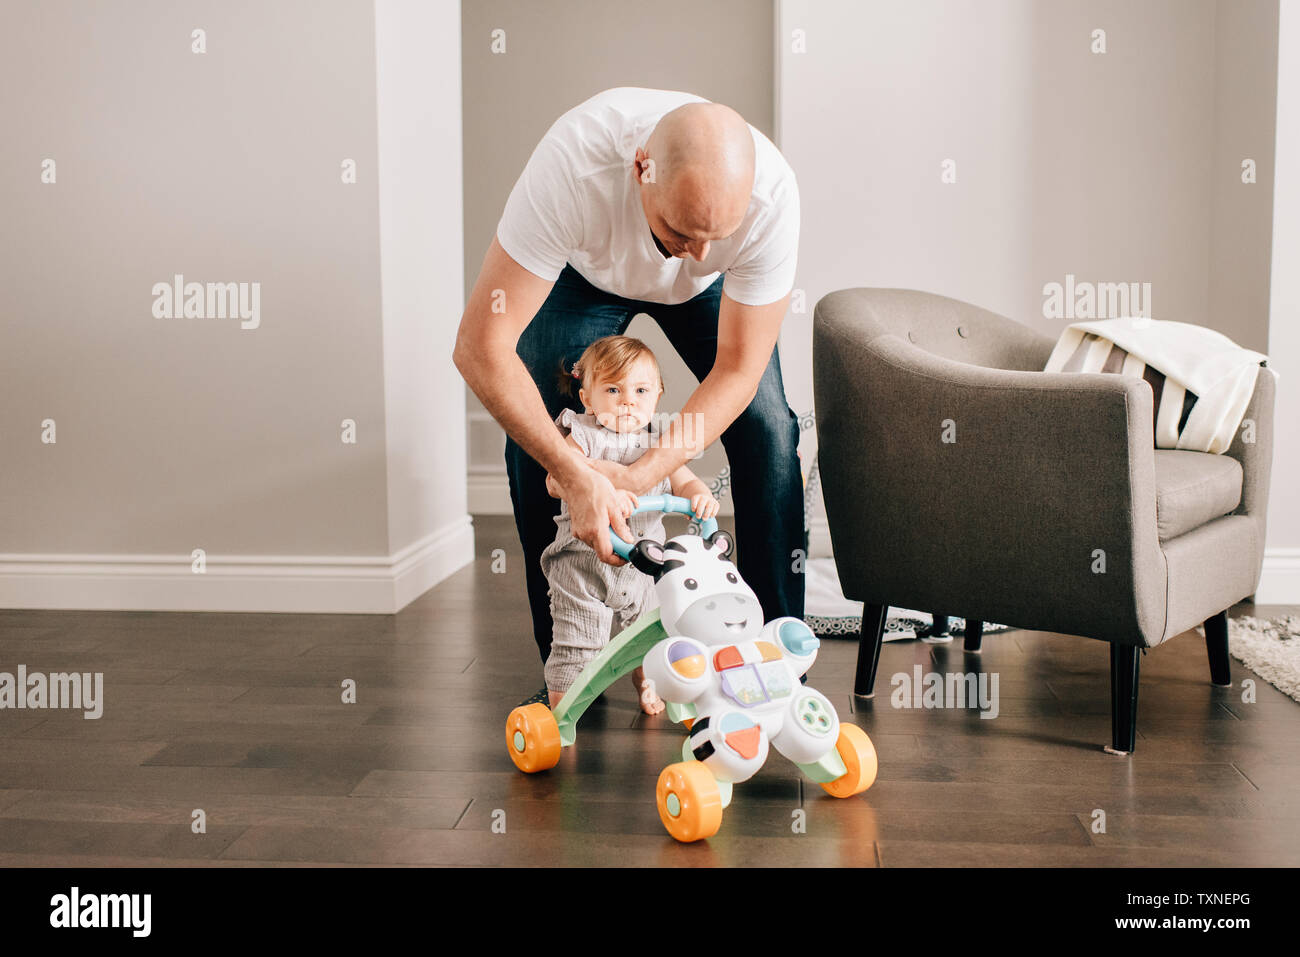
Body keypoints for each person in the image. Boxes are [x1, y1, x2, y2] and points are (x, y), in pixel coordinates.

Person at [453, 86, 804, 699]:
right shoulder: (573, 166)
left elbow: (738, 372)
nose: (697, 255)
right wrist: (575, 471)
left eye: (717, 236)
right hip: (584, 277)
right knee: (534, 437)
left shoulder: (770, 200)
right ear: (642, 168)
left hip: (709, 299)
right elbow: (480, 347)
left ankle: (773, 659)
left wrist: (640, 477)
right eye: (682, 229)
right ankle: (568, 668)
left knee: (770, 427)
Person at [539, 334, 719, 713]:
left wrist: (699, 493)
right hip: (582, 565)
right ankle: (561, 710)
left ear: (657, 397)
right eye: (613, 389)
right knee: (578, 639)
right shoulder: (581, 437)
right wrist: (600, 486)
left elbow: (682, 480)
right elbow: (556, 481)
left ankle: (649, 683)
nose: (628, 401)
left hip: (646, 568)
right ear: (587, 397)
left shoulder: (658, 444)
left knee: (654, 633)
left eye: (640, 390)